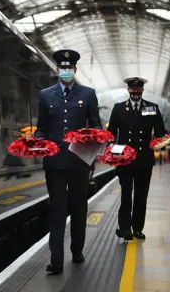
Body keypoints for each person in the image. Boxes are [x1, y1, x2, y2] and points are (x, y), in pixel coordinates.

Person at [34, 49, 102, 274]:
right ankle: (56, 261)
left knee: (79, 208)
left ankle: (77, 250)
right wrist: (36, 140)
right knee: (57, 210)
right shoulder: (45, 95)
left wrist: (93, 138)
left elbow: (96, 126)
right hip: (54, 163)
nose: (65, 71)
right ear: (57, 70)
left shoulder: (88, 94)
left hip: (79, 162)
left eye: (69, 68)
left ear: (74, 69)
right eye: (62, 68)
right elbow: (42, 127)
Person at [107, 77, 167, 241]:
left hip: (144, 160)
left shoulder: (151, 108)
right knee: (126, 194)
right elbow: (111, 133)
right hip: (124, 160)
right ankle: (125, 228)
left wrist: (164, 141)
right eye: (132, 90)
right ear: (128, 90)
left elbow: (160, 131)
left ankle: (137, 228)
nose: (135, 93)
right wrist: (112, 148)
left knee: (141, 195)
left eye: (138, 90)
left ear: (142, 91)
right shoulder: (119, 108)